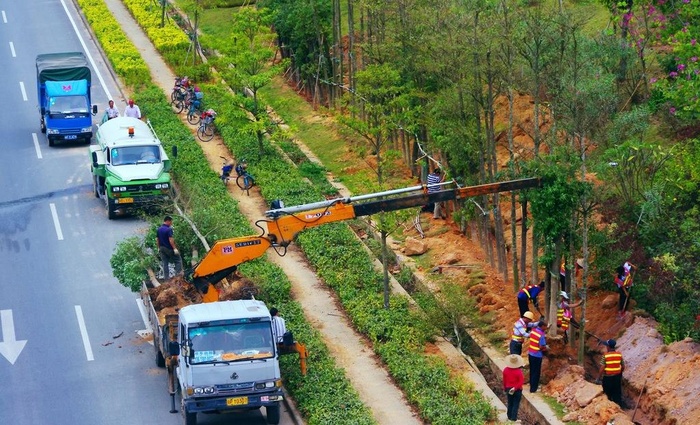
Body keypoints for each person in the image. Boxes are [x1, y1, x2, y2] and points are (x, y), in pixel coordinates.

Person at [598, 339, 624, 407]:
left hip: (608, 378)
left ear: (608, 347)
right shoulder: (619, 355)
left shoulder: (605, 356)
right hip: (617, 377)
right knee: (617, 392)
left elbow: (602, 368)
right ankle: (619, 405)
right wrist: (620, 373)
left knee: (607, 393)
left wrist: (598, 378)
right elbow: (623, 366)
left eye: (606, 346)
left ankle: (609, 406)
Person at [156, 215, 182, 280]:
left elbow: (157, 240)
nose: (171, 223)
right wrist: (174, 248)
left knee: (165, 263)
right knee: (178, 260)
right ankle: (178, 277)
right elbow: (171, 239)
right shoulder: (169, 229)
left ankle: (166, 279)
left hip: (162, 248)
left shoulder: (159, 229)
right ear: (168, 221)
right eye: (171, 222)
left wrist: (158, 247)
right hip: (168, 248)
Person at [503, 354, 525, 422]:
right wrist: (515, 388)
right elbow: (521, 381)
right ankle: (513, 418)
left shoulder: (505, 370)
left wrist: (505, 388)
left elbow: (504, 380)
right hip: (517, 390)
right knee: (516, 404)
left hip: (508, 388)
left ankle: (509, 416)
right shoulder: (518, 372)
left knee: (510, 403)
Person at [528, 320, 548, 393]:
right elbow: (541, 347)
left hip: (530, 353)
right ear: (542, 326)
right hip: (537, 355)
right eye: (545, 326)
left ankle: (531, 385)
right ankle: (534, 389)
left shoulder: (533, 331)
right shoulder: (541, 335)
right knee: (536, 372)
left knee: (532, 370)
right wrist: (546, 348)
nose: (546, 328)